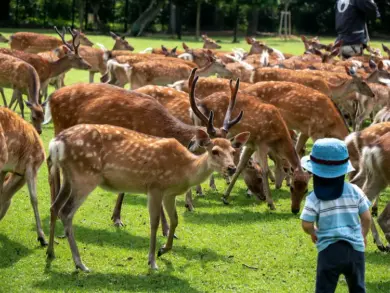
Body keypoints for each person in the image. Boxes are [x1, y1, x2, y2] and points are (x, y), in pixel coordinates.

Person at [300, 138, 372, 293]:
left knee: (324, 289)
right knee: (358, 288)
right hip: (355, 251)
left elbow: (306, 224)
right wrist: (363, 235)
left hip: (329, 251)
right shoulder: (355, 191)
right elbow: (366, 217)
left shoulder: (314, 198)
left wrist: (313, 231)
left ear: (314, 172)